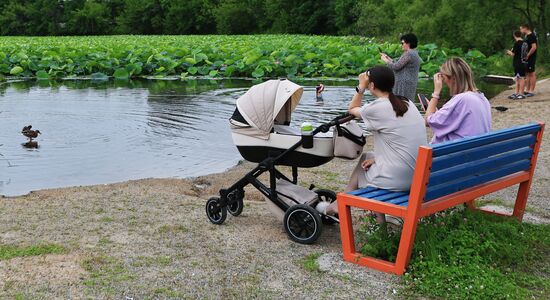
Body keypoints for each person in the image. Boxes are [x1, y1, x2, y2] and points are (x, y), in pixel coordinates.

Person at [325, 66, 427, 221]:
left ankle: (341, 203)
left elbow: (352, 108)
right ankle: (375, 222)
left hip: (399, 180)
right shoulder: (408, 103)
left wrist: (360, 87)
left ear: (372, 86)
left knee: (362, 168)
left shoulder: (377, 107)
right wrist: (377, 159)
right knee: (368, 157)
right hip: (418, 177)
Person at [425, 58, 492, 144]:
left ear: (453, 78)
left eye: (443, 78)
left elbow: (428, 121)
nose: (444, 82)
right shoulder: (482, 98)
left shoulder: (462, 99)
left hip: (456, 154)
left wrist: (436, 93)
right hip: (476, 152)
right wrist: (439, 113)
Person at [381, 33, 422, 102]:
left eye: (402, 43)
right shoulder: (414, 53)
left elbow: (396, 66)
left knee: (400, 103)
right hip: (409, 82)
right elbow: (399, 63)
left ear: (408, 43)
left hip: (403, 84)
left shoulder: (409, 53)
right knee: (406, 103)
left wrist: (386, 61)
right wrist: (388, 58)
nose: (401, 45)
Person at [506, 30, 528, 100]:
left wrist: (509, 52)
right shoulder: (525, 43)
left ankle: (521, 94)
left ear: (514, 35)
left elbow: (513, 54)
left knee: (520, 78)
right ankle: (517, 93)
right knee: (518, 78)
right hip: (524, 62)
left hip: (518, 62)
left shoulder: (517, 43)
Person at [520, 24, 537, 96]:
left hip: (531, 57)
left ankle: (531, 91)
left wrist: (528, 55)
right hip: (525, 58)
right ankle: (527, 89)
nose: (520, 31)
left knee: (531, 73)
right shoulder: (526, 36)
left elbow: (534, 47)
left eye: (521, 29)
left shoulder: (532, 36)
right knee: (527, 73)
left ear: (525, 28)